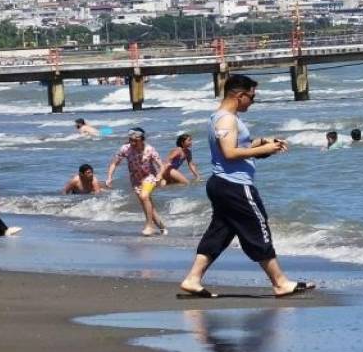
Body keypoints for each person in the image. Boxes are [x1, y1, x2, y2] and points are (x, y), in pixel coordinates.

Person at [178, 74, 313, 299]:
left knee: (220, 232)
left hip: (223, 184)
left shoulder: (219, 117)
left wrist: (262, 142)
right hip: (235, 185)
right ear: (239, 96)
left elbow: (237, 146)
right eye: (252, 97)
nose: (253, 101)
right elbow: (230, 153)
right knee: (258, 227)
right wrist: (262, 151)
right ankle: (280, 283)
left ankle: (193, 279)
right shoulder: (227, 119)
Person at [105, 127, 167, 236]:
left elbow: (161, 166)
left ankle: (149, 226)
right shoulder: (125, 149)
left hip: (150, 177)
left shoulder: (149, 150)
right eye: (130, 140)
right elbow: (114, 163)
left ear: (142, 139)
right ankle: (162, 228)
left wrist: (160, 175)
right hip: (136, 180)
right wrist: (109, 177)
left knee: (144, 197)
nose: (132, 143)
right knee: (147, 205)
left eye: (135, 140)